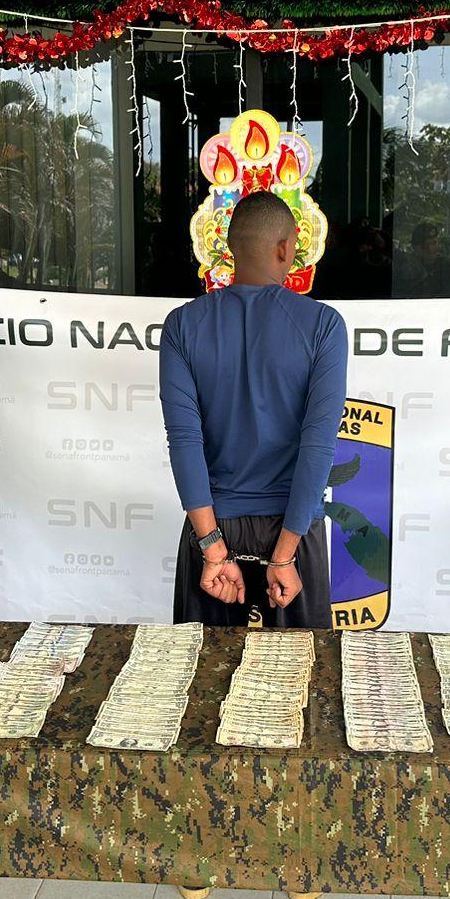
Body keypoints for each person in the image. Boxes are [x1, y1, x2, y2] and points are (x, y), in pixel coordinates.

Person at [160, 190, 348, 632]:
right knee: (299, 673)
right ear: (285, 248)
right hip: (293, 534)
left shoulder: (182, 325)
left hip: (213, 530)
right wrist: (284, 556)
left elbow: (184, 442)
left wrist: (212, 548)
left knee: (202, 670)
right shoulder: (323, 326)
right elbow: (318, 446)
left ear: (230, 247)